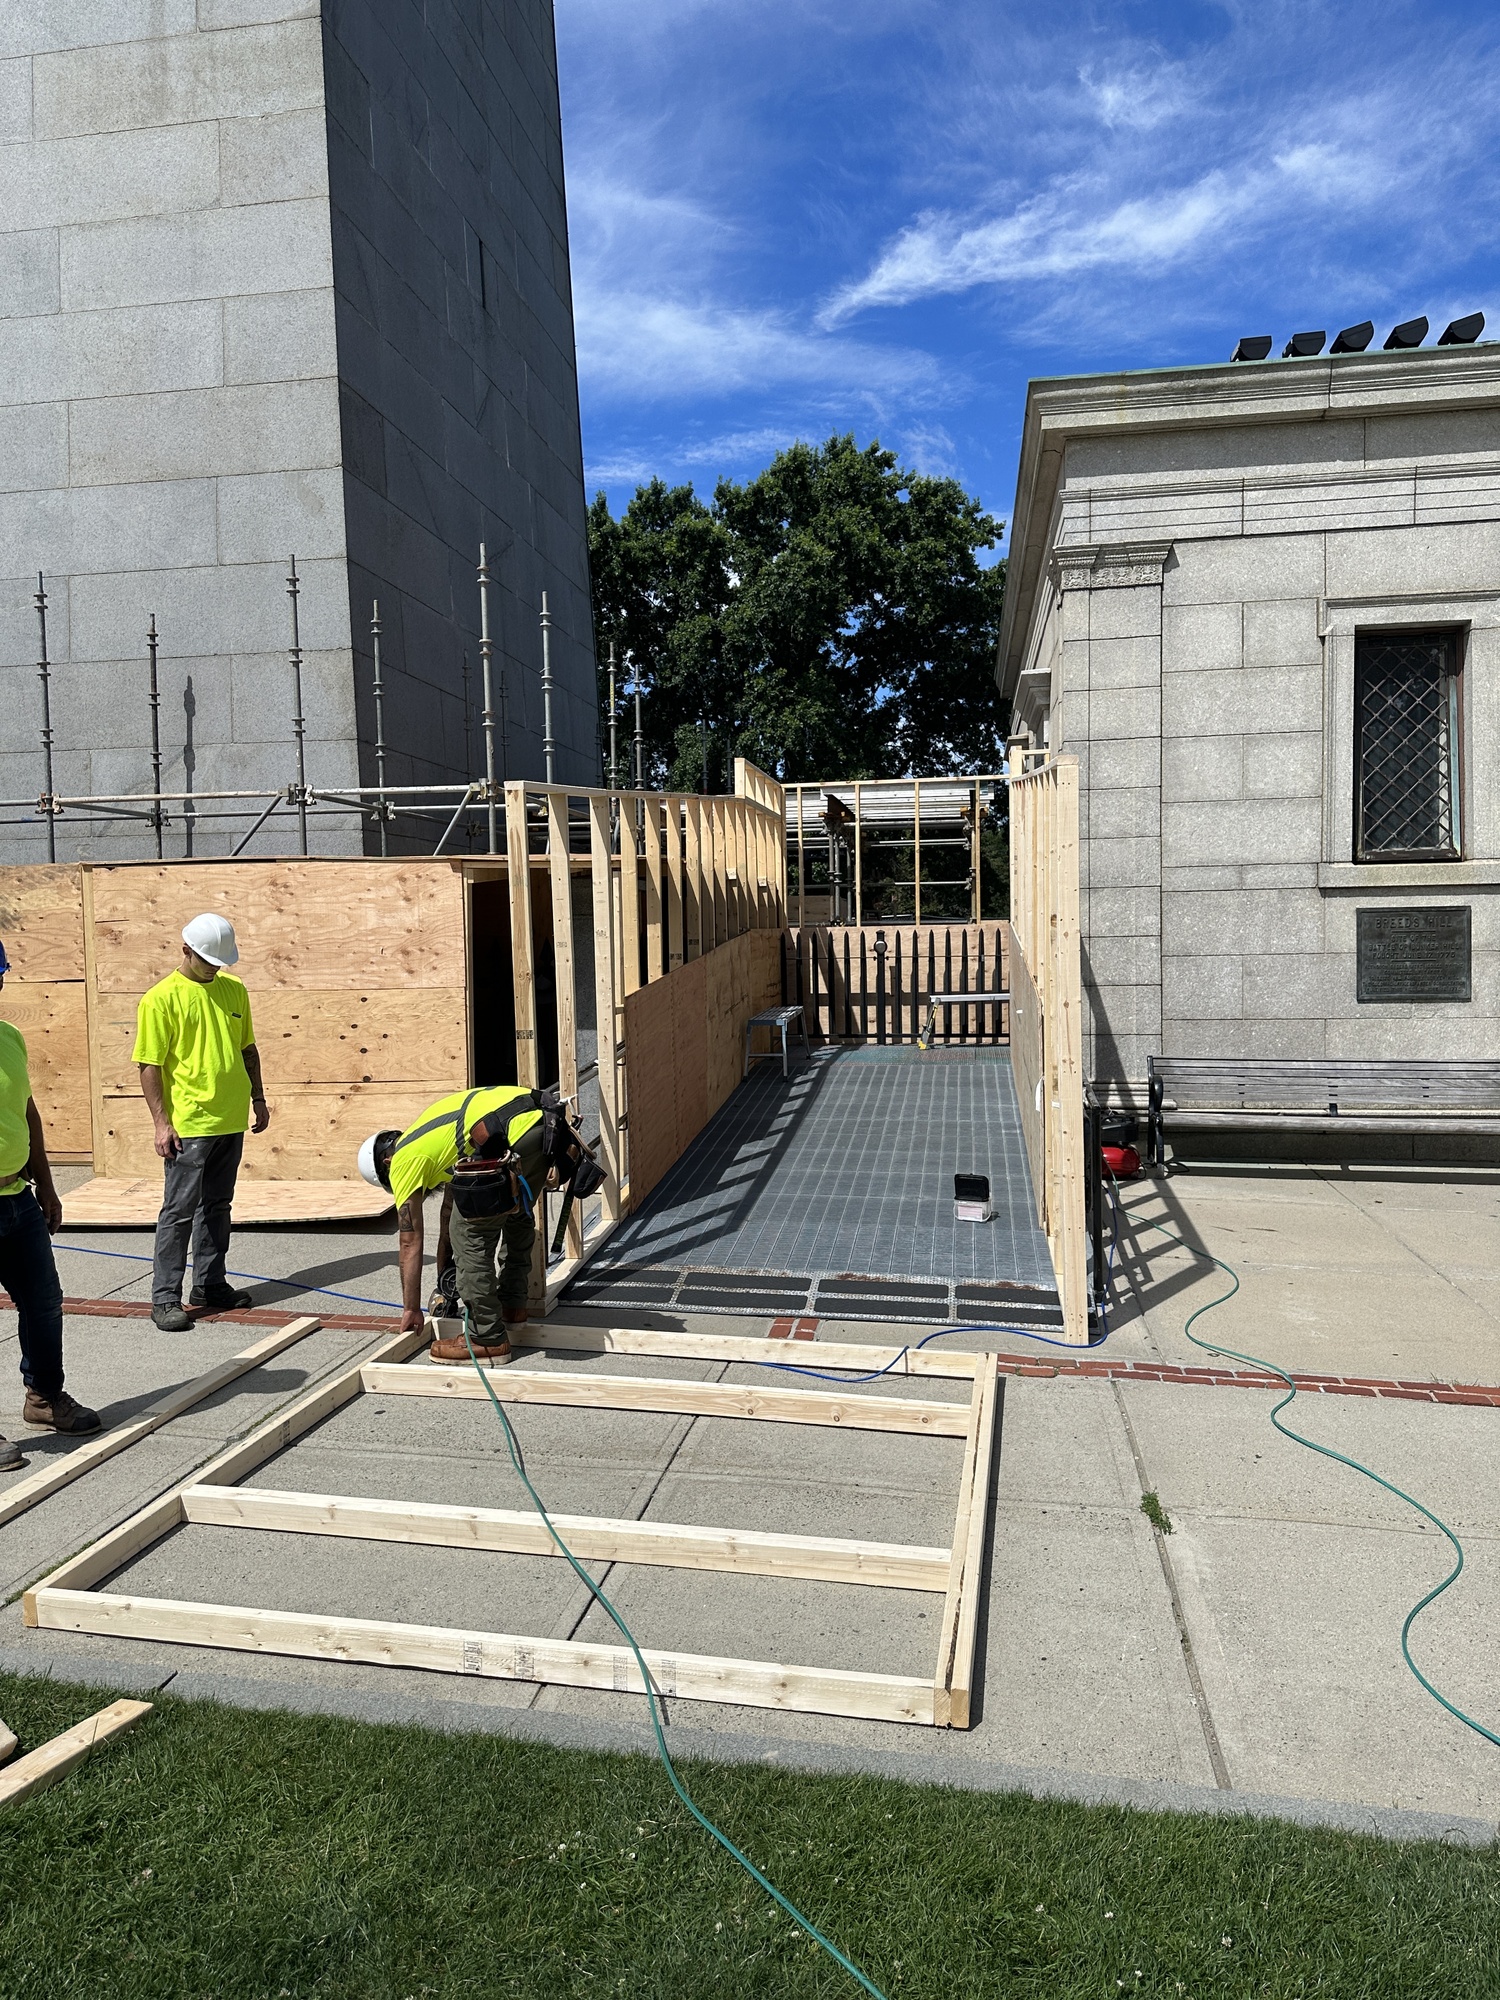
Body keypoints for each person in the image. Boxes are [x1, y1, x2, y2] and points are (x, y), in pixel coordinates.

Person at [133, 913, 270, 1333]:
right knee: (178, 1211)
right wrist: (162, 1123)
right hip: (189, 1125)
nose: (214, 967)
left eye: (219, 961)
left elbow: (247, 1048)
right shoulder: (161, 999)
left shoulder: (234, 991)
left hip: (229, 1119)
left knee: (217, 1206)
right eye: (207, 959)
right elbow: (149, 1065)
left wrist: (258, 1098)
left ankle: (209, 1285)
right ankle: (165, 1298)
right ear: (185, 950)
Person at [357, 1085, 549, 1365]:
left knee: (469, 1235)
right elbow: (450, 1206)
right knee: (516, 1214)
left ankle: (486, 1338)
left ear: (386, 1162)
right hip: (542, 1123)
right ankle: (513, 1307)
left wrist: (411, 1308)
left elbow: (410, 1241)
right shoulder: (430, 1134)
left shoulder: (402, 1160)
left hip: (509, 1133)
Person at [0, 934, 100, 1468]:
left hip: (17, 1198)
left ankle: (43, 1398)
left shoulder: (8, 1037)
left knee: (43, 1304)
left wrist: (48, 1184)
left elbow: (28, 1114)